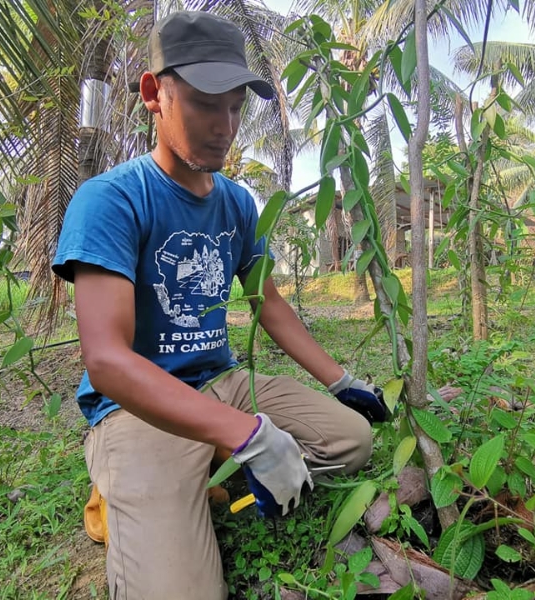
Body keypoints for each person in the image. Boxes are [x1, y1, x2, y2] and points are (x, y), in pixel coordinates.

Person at [52, 11, 389, 600]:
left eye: (236, 106)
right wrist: (248, 434)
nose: (225, 126)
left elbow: (268, 303)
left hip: (223, 383)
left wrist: (342, 381)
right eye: (207, 104)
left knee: (351, 441)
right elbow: (106, 361)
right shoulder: (110, 200)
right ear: (156, 94)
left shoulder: (237, 203)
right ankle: (136, 495)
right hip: (137, 410)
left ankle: (204, 470)